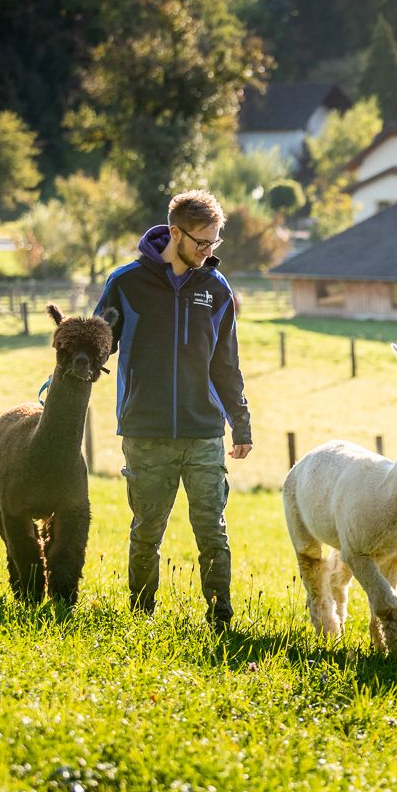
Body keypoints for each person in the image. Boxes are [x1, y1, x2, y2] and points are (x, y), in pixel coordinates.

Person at [95, 190, 253, 630]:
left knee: (212, 531)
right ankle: (141, 617)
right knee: (147, 531)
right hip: (145, 432)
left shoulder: (216, 288)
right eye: (202, 242)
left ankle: (221, 620)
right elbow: (99, 345)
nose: (208, 252)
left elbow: (226, 363)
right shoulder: (126, 283)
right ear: (175, 233)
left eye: (214, 243)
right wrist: (70, 373)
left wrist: (240, 421)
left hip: (203, 432)